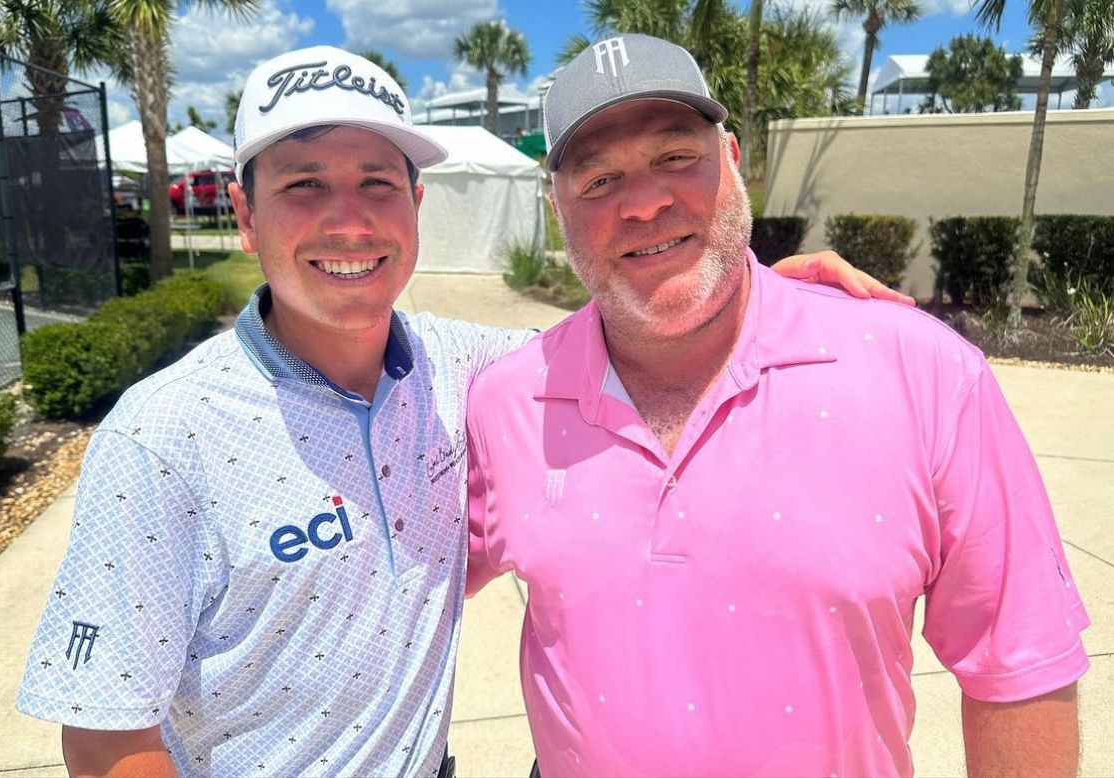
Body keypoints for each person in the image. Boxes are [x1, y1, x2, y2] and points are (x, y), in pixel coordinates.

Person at [15, 45, 907, 777]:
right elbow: (103, 737)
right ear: (245, 216)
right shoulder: (162, 435)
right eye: (303, 186)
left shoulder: (471, 371)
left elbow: (631, 328)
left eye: (376, 182)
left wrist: (745, 289)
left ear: (416, 205)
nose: (349, 222)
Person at [464, 34, 1089, 778]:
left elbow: (1018, 663)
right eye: (598, 180)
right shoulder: (505, 401)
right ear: (557, 208)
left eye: (675, 157)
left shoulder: (922, 373)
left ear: (731, 160)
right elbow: (390, 582)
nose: (645, 203)